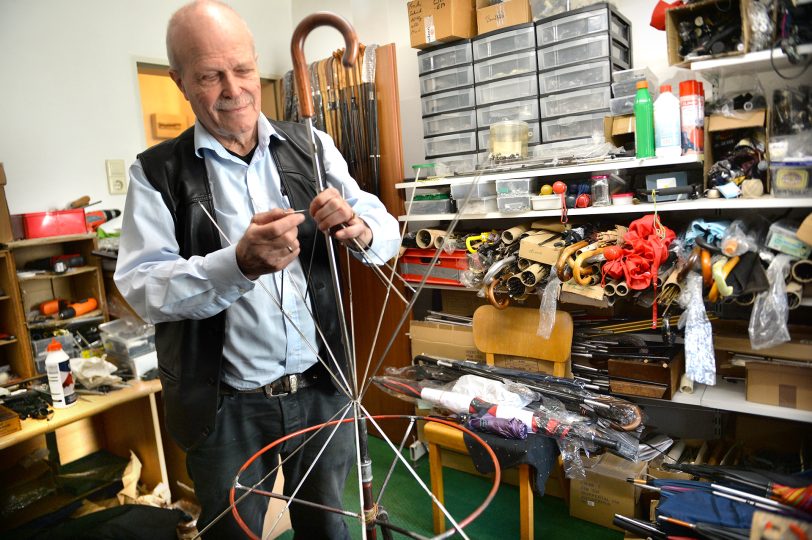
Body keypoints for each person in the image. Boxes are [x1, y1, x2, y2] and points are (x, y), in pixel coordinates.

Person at [114, 1, 400, 537]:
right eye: (210, 76)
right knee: (233, 533)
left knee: (330, 529)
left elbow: (386, 233)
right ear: (180, 81)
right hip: (224, 410)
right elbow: (143, 288)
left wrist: (357, 228)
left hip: (322, 390)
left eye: (243, 69)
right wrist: (237, 264)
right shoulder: (157, 173)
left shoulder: (310, 145)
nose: (234, 88)